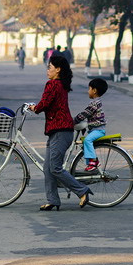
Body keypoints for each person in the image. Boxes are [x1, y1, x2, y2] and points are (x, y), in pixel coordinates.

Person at [26, 55, 92, 211]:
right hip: (57, 131)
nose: (47, 70)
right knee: (48, 168)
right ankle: (53, 200)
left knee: (55, 168)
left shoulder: (53, 84)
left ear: (58, 69)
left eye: (50, 67)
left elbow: (44, 104)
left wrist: (34, 108)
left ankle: (82, 191)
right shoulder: (61, 84)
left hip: (61, 131)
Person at [73, 78, 108, 172]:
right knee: (85, 142)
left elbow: (85, 114)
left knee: (87, 140)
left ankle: (94, 162)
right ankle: (90, 164)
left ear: (94, 90)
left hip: (99, 131)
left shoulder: (95, 103)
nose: (88, 91)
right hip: (95, 130)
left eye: (89, 89)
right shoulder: (96, 102)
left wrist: (74, 120)